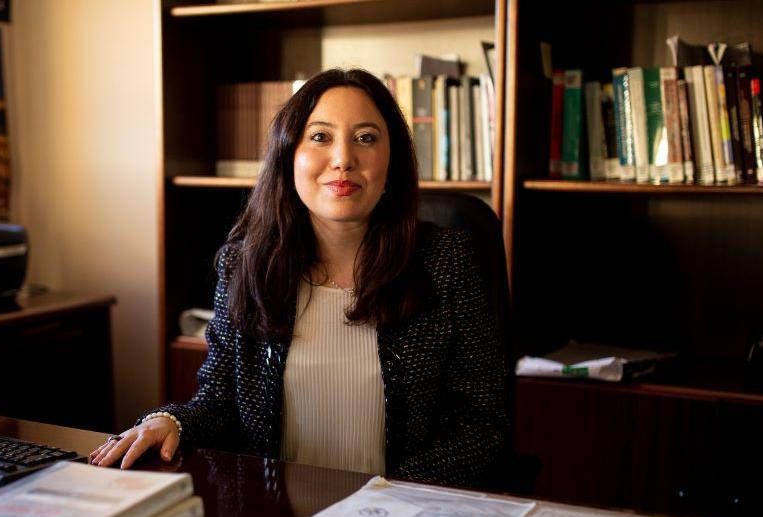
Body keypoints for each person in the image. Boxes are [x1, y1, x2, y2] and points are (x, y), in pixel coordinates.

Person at [91, 68, 506, 485]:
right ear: (290, 153)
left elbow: (482, 426)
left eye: (366, 137)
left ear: (392, 160)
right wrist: (171, 421)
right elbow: (219, 401)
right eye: (321, 137)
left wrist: (387, 495)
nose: (343, 159)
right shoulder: (244, 266)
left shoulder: (445, 261)